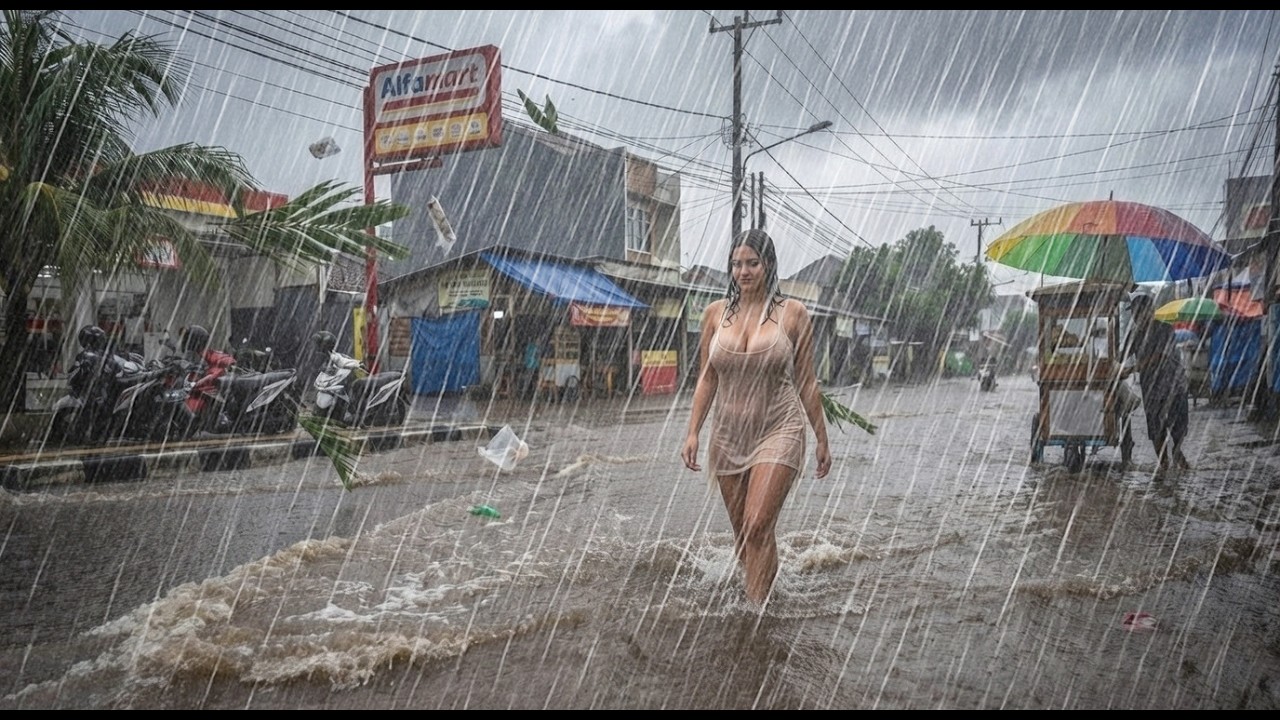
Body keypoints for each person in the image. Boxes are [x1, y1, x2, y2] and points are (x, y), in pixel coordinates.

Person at [681, 228, 832, 606]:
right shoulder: (715, 315)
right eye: (736, 264)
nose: (743, 271)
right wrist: (692, 432)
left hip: (779, 429)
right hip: (729, 435)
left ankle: (756, 617)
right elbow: (706, 378)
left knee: (757, 524)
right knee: (745, 537)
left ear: (768, 266)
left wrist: (821, 438)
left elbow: (807, 382)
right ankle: (767, 591)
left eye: (752, 263)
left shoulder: (793, 313)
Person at [1120, 292, 1191, 475]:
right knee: (1155, 428)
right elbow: (1121, 355)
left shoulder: (1165, 329)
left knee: (1178, 426)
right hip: (1151, 389)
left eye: (1139, 313)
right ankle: (1164, 466)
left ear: (1150, 311)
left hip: (1173, 385)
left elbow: (1160, 355)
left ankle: (1176, 452)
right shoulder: (1135, 335)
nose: (1135, 317)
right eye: (1134, 314)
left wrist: (1134, 367)